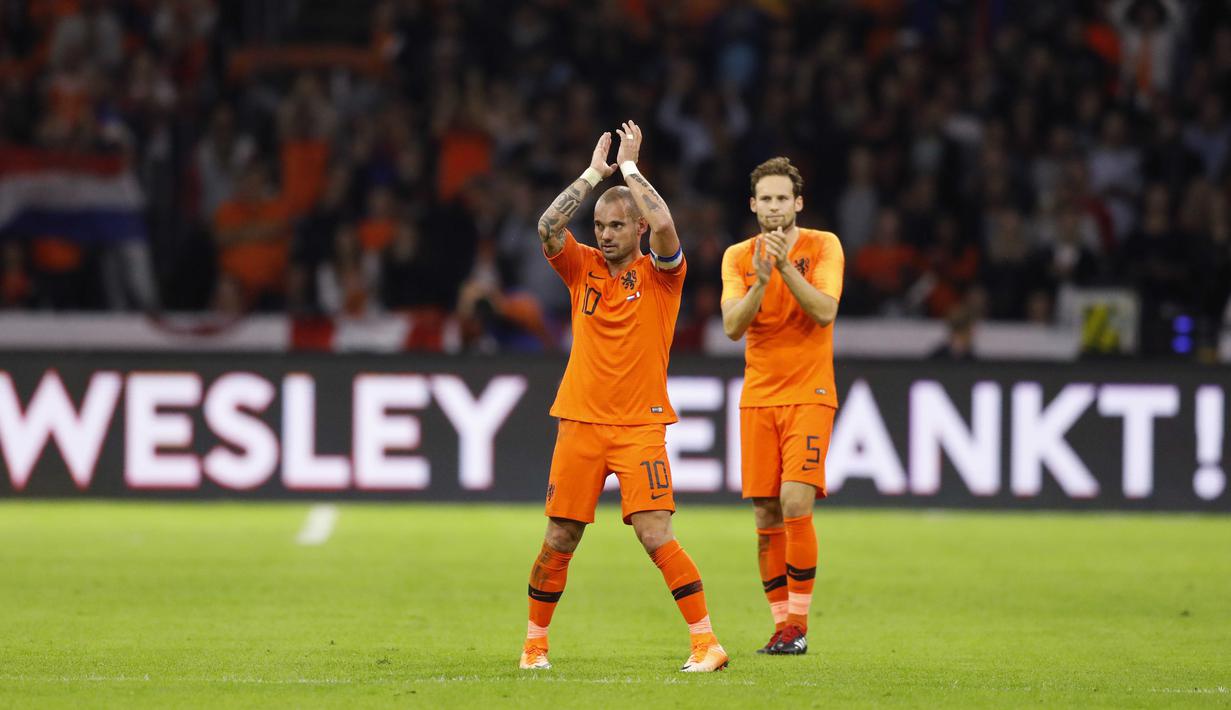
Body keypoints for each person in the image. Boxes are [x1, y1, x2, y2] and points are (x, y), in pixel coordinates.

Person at [519, 121, 728, 673]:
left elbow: (664, 221)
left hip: (639, 426)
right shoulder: (580, 266)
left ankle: (706, 643)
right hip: (580, 423)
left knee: (656, 533)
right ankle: (534, 646)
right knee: (559, 537)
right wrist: (593, 174)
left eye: (617, 225)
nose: (606, 234)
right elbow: (546, 225)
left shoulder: (662, 277)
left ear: (635, 228)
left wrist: (631, 168)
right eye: (600, 225)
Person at [720, 157, 844, 655]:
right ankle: (780, 628)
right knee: (766, 512)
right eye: (764, 199)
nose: (773, 208)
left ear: (798, 203)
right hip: (759, 398)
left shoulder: (825, 245)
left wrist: (786, 267)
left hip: (810, 393)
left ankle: (798, 624)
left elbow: (825, 311)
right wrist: (762, 279)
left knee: (796, 500)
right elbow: (732, 326)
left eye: (781, 199)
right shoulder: (738, 257)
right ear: (753, 206)